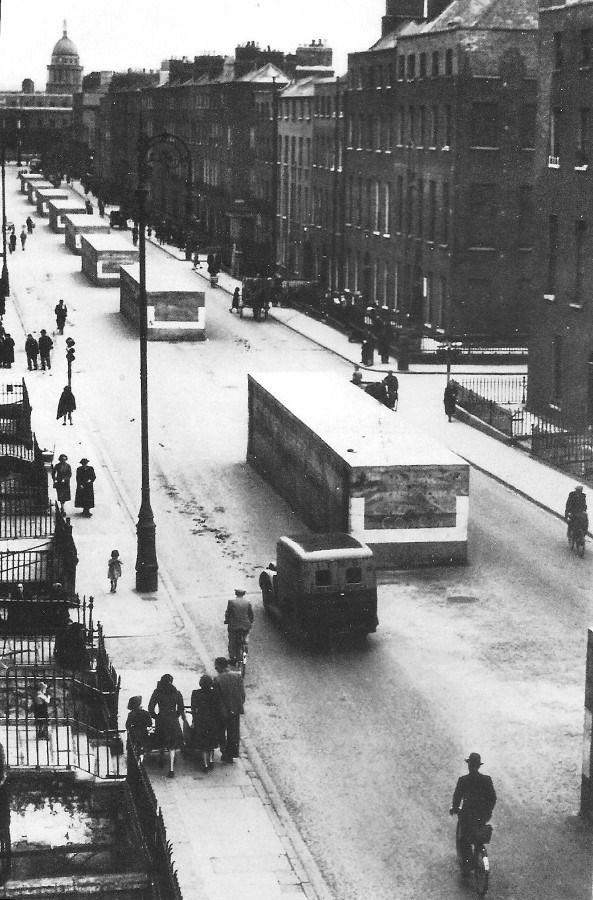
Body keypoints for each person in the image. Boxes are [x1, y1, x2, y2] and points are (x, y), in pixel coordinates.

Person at [450, 752, 496, 871]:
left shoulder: (463, 780)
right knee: (478, 833)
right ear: (479, 766)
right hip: (483, 816)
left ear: (469, 765)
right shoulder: (486, 780)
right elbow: (492, 798)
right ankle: (478, 852)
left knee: (464, 839)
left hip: (468, 816)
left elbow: (457, 797)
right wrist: (487, 811)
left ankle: (467, 864)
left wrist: (455, 808)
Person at [148, 674, 186, 777]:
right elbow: (181, 708)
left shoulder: (157, 692)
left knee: (161, 740)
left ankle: (161, 758)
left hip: (161, 719)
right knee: (172, 745)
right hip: (173, 720)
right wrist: (176, 715)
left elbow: (150, 707)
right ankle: (171, 769)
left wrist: (155, 716)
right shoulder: (176, 693)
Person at [213, 657, 245, 764]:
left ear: (219, 667)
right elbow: (242, 694)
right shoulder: (237, 676)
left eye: (216, 666)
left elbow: (217, 698)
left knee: (221, 732)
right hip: (235, 709)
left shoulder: (217, 679)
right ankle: (232, 753)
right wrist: (237, 705)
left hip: (223, 712)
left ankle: (224, 752)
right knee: (234, 732)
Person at [190, 674, 221, 772]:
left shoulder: (196, 693)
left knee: (203, 745)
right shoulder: (215, 693)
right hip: (213, 721)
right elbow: (218, 708)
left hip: (201, 720)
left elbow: (193, 709)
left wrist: (194, 720)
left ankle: (205, 765)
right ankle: (211, 760)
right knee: (211, 742)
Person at [224, 588, 254, 664]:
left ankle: (233, 658)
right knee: (245, 637)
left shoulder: (231, 602)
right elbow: (251, 614)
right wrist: (250, 622)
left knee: (232, 641)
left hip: (234, 626)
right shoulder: (247, 602)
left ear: (236, 594)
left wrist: (226, 620)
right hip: (246, 625)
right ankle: (245, 647)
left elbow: (228, 613)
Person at [125, 695, 152, 762]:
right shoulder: (145, 713)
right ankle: (142, 759)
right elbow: (150, 724)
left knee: (134, 747)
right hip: (143, 733)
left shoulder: (131, 714)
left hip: (134, 734)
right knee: (143, 746)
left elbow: (127, 725)